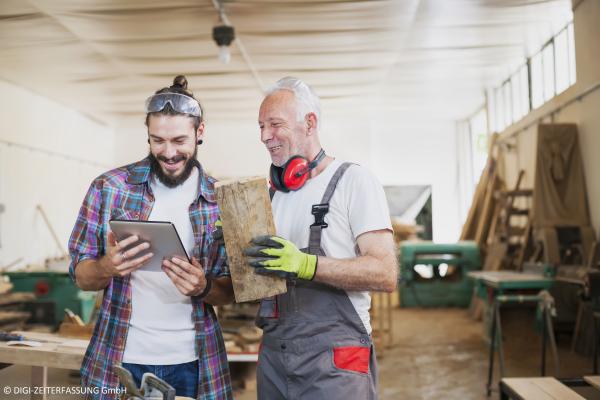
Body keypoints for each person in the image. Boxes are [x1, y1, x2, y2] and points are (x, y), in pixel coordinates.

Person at [68, 75, 234, 400]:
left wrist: (204, 287)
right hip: (119, 360)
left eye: (179, 141)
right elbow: (80, 277)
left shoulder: (221, 199)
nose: (168, 153)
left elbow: (231, 291)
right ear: (147, 134)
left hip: (195, 364)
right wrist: (106, 267)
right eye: (157, 140)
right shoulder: (108, 188)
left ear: (200, 133)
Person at [245, 76, 398, 399]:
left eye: (274, 124)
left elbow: (385, 273)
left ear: (310, 123)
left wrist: (306, 265)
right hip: (274, 356)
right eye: (260, 126)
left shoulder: (353, 181)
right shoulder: (272, 196)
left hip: (334, 363)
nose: (264, 136)